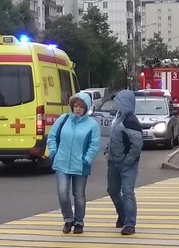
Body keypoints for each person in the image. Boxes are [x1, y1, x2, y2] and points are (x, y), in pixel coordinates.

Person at [45, 91, 102, 234]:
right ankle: (68, 219)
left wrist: (87, 159)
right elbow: (52, 136)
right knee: (63, 192)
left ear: (86, 107)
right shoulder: (64, 119)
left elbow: (94, 145)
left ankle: (79, 222)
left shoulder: (92, 125)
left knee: (79, 194)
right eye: (75, 106)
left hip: (81, 165)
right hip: (62, 163)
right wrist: (54, 152)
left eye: (81, 106)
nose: (77, 109)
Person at [104, 89, 143, 235]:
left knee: (127, 192)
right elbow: (112, 137)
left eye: (120, 102)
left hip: (127, 165)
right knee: (113, 190)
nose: (117, 105)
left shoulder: (131, 121)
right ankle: (123, 215)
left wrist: (128, 161)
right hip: (113, 162)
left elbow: (137, 145)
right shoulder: (118, 117)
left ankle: (130, 224)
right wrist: (108, 151)